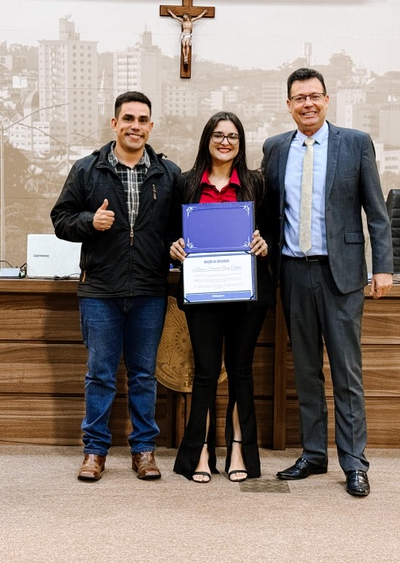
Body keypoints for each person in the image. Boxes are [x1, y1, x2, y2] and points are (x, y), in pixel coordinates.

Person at [261, 68, 393, 498]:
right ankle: (314, 454)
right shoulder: (275, 148)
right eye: (299, 98)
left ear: (327, 100)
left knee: (346, 371)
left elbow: (376, 211)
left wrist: (383, 267)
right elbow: (267, 213)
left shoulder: (355, 143)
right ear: (288, 105)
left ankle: (354, 463)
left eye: (315, 96)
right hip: (292, 271)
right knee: (305, 370)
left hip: (342, 274)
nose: (308, 104)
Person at [51, 91, 184, 483]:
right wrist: (89, 222)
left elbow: (178, 228)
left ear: (151, 127)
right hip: (100, 291)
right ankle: (95, 451)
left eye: (142, 120)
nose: (135, 126)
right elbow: (61, 219)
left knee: (144, 375)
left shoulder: (168, 173)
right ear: (114, 123)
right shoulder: (87, 170)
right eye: (128, 119)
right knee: (100, 375)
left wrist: (176, 247)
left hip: (149, 290)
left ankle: (144, 450)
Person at [169, 112, 272, 483]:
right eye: (218, 135)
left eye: (232, 136)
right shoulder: (185, 183)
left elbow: (274, 231)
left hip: (246, 294)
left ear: (240, 143)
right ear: (207, 140)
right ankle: (201, 451)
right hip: (202, 292)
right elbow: (169, 234)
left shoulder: (257, 183)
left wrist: (265, 245)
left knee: (241, 371)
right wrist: (173, 248)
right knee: (206, 373)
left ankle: (239, 449)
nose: (225, 142)